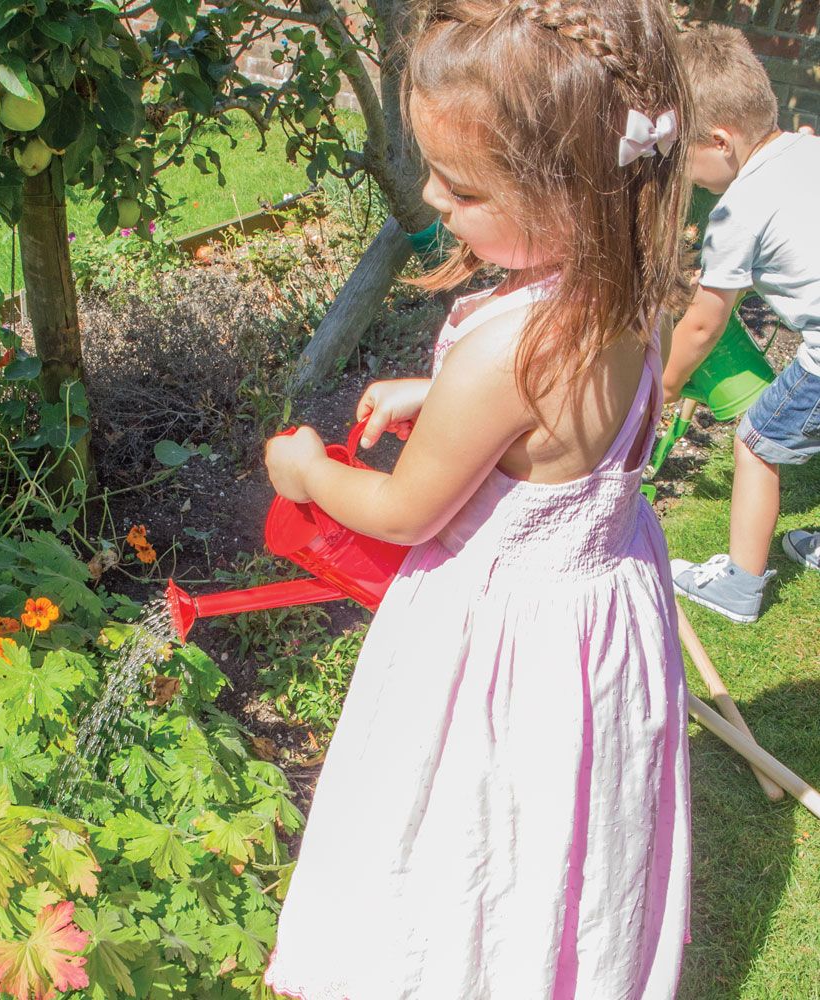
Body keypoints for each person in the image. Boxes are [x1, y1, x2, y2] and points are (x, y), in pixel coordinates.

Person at [261, 1, 692, 996]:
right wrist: (439, 396)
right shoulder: (626, 294)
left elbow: (408, 511)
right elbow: (565, 426)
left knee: (465, 838)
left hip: (501, 653)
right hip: (596, 627)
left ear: (573, 190)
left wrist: (309, 471)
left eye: (460, 186)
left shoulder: (506, 346)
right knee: (561, 841)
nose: (431, 196)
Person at [664, 25, 820, 624]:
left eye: (684, 156)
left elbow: (704, 323)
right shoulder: (806, 148)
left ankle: (739, 586)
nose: (684, 174)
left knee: (756, 439)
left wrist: (667, 385)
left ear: (720, 141)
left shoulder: (737, 210)